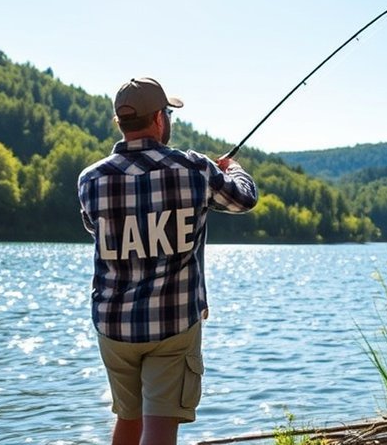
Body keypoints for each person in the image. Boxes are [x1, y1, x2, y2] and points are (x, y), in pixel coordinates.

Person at [77, 77, 258, 445]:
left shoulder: (90, 179)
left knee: (128, 419)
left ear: (121, 123)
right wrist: (232, 170)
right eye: (169, 113)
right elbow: (243, 200)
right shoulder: (194, 168)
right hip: (172, 324)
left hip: (113, 325)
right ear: (159, 118)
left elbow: (95, 230)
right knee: (159, 427)